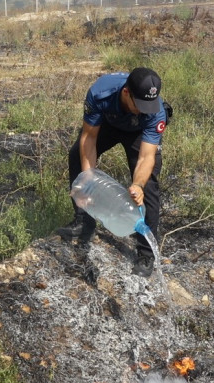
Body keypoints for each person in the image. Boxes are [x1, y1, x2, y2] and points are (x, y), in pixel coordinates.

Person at [57, 67, 170, 277]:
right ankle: (84, 221)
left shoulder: (155, 111)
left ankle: (145, 254)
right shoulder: (101, 93)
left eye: (149, 106)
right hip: (109, 123)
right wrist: (88, 178)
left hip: (138, 133)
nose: (146, 110)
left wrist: (137, 185)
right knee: (76, 156)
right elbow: (89, 138)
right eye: (140, 105)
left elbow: (146, 157)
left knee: (150, 185)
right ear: (127, 93)